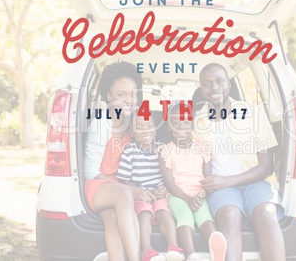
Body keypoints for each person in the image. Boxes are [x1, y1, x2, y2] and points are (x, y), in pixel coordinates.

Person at [193, 63, 285, 261]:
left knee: (267, 214)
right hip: (220, 189)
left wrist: (227, 181)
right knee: (228, 216)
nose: (214, 88)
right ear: (201, 89)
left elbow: (266, 167)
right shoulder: (198, 122)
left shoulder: (253, 114)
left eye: (219, 81)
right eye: (207, 84)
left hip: (254, 182)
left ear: (229, 83)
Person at [84, 61, 154, 261]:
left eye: (133, 94)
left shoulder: (134, 124)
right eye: (121, 95)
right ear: (108, 96)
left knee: (113, 219)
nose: (129, 101)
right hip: (97, 186)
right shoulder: (102, 123)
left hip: (118, 191)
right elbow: (89, 171)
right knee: (124, 194)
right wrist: (132, 190)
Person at [157, 104, 227, 261]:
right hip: (177, 195)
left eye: (186, 122)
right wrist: (188, 199)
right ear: (169, 128)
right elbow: (169, 183)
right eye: (176, 123)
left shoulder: (202, 147)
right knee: (185, 215)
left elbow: (207, 177)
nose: (181, 126)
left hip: (198, 194)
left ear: (192, 124)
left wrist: (201, 194)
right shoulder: (165, 151)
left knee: (204, 215)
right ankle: (191, 254)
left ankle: (216, 248)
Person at [117, 112, 185, 261]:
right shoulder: (129, 152)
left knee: (163, 211)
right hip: (140, 194)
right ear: (132, 134)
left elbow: (171, 176)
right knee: (145, 213)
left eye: (149, 126)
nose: (146, 130)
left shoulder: (163, 149)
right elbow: (123, 182)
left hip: (160, 193)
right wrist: (142, 192)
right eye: (140, 128)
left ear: (155, 129)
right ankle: (147, 250)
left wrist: (165, 189)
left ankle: (173, 247)